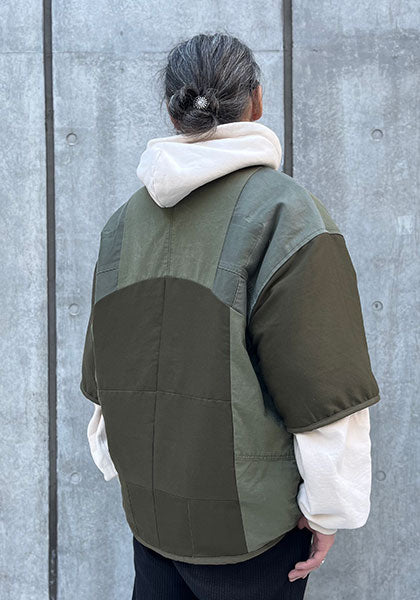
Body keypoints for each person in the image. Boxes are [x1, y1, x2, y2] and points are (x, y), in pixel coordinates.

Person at [80, 32, 381, 600]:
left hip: (151, 520)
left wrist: (142, 482)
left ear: (173, 110)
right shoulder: (285, 214)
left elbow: (105, 387)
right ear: (256, 100)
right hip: (252, 539)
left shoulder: (123, 224)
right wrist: (328, 511)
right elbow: (324, 388)